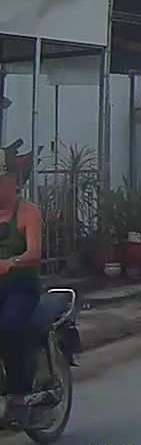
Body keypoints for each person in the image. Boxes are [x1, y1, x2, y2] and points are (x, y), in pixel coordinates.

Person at [0, 147, 41, 423]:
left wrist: (12, 262)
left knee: (8, 327)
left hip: (21, 286)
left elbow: (34, 252)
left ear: (12, 181)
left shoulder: (28, 212)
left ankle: (18, 394)